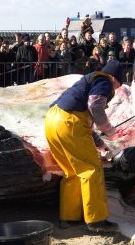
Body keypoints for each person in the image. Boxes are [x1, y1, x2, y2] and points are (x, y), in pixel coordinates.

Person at [43, 59, 125, 233]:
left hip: (52, 121)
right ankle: (97, 220)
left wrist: (102, 145)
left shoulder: (86, 82)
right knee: (91, 170)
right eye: (117, 85)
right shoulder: (104, 80)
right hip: (69, 124)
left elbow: (84, 127)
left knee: (72, 172)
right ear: (114, 78)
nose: (115, 90)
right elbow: (95, 105)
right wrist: (109, 130)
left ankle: (69, 217)